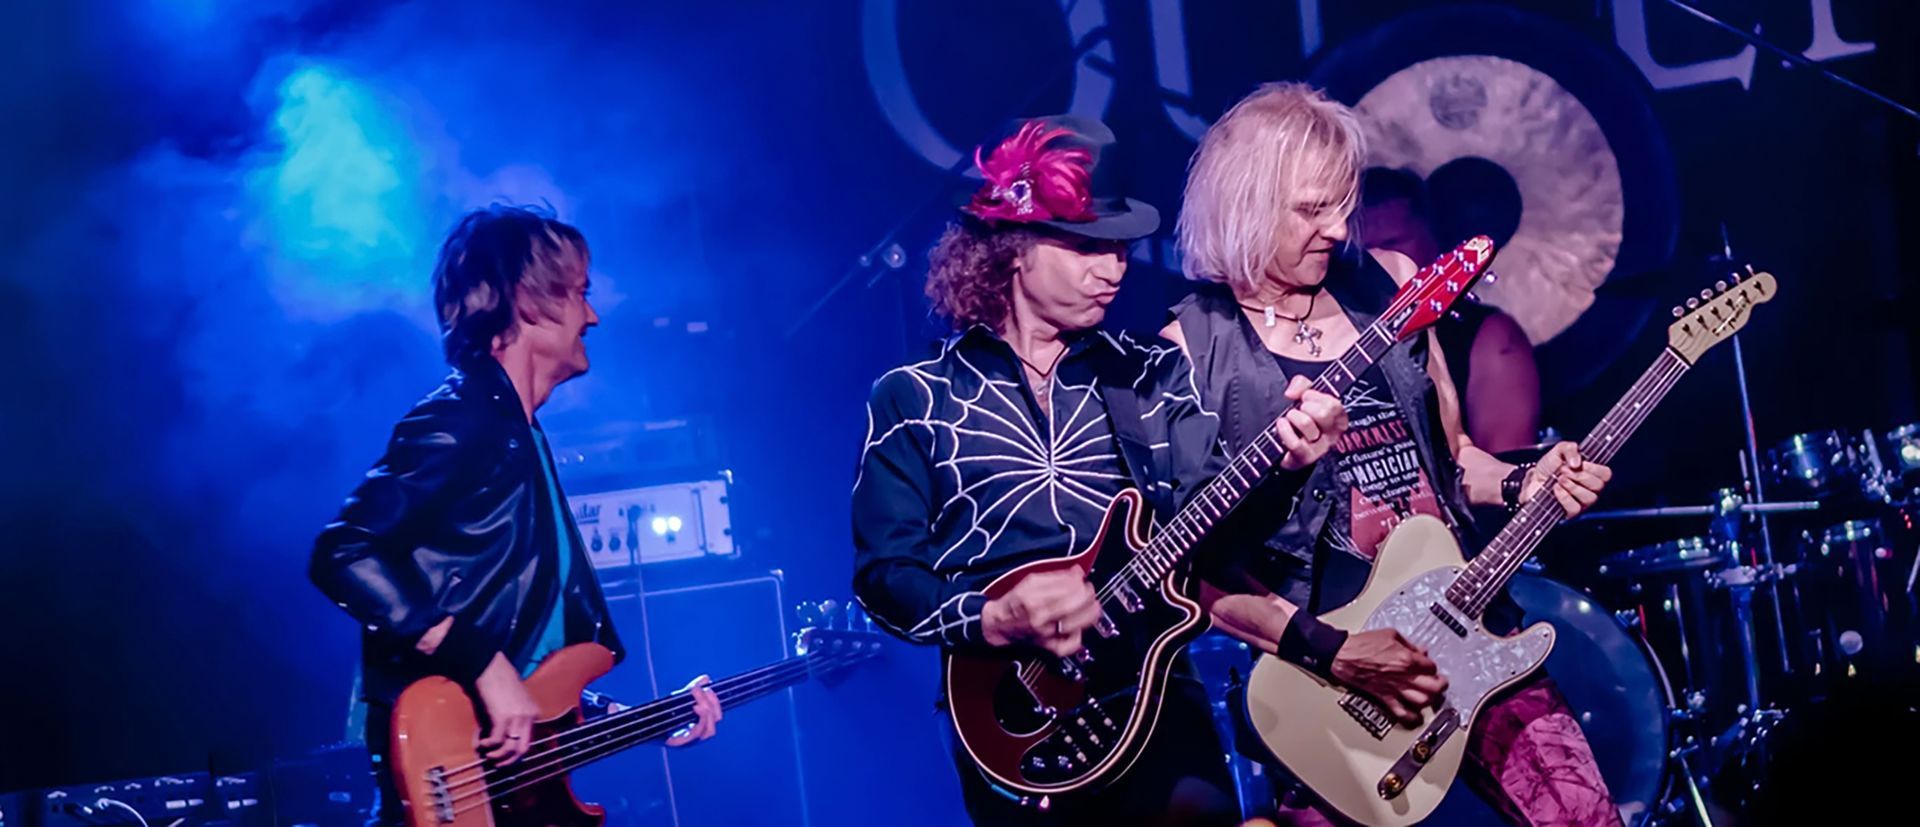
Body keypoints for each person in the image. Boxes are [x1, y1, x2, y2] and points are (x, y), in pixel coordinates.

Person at [849, 114, 1346, 826]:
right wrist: (991, 616)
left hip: (1152, 692)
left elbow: (1217, 539)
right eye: (1087, 245)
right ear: (1014, 247)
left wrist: (1287, 470)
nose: (1112, 269)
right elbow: (884, 574)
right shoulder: (914, 396)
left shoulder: (1150, 372)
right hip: (1009, 712)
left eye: (1121, 248)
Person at [1166, 83, 1621, 827]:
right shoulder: (1191, 353)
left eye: (1342, 204)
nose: (1336, 227)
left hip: (1470, 623)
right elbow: (1196, 572)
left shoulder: (1393, 285)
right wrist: (1334, 652)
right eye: (1311, 209)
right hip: (1331, 689)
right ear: (1246, 201)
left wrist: (1524, 480)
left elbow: (1453, 463)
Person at [308, 205, 722, 824]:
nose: (593, 315)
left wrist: (636, 716)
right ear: (529, 301)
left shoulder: (517, 434)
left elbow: (531, 663)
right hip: (440, 767)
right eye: (580, 294)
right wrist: (480, 661)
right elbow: (343, 552)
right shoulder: (461, 418)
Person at [1360, 166, 1541, 455]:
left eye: (1393, 243)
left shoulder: (1490, 337)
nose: (1379, 260)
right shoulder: (1337, 329)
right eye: (1364, 249)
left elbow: (1508, 466)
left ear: (1434, 238)